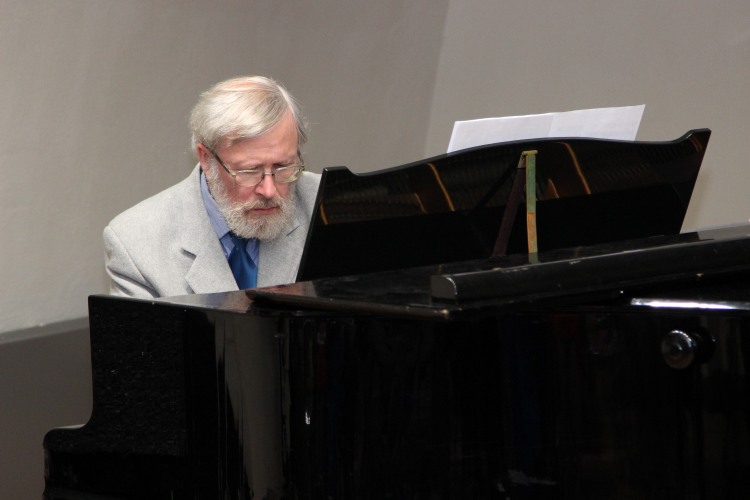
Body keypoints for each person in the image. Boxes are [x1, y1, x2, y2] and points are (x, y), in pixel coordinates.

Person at [103, 76, 321, 298]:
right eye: (249, 171)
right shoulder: (135, 242)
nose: (269, 190)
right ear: (206, 159)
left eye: (283, 166)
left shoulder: (325, 203)